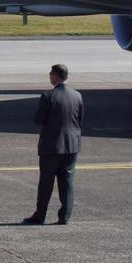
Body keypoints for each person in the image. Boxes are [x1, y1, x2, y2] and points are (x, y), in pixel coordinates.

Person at [24, 63, 83, 226]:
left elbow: (38, 119)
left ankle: (40, 214)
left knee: (46, 183)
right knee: (67, 182)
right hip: (71, 146)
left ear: (55, 76)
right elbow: (79, 119)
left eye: (51, 73)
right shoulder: (77, 95)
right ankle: (64, 216)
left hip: (51, 146)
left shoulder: (48, 96)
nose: (49, 76)